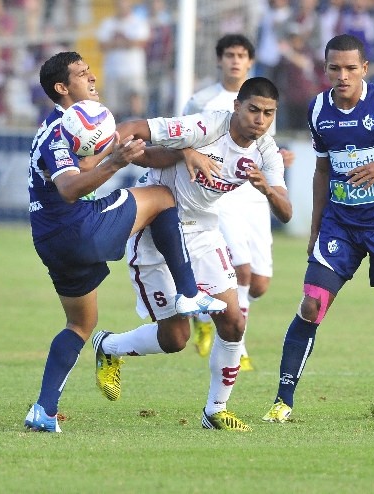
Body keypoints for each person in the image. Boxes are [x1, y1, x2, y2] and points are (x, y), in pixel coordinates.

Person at [23, 51, 226, 433]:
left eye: (90, 71)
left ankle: (43, 410)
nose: (93, 78)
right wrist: (114, 164)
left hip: (51, 241)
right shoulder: (58, 131)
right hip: (75, 227)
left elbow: (146, 155)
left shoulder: (88, 124)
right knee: (162, 199)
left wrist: (185, 151)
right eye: (82, 75)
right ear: (62, 88)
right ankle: (187, 292)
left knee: (80, 325)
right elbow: (68, 188)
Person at [91, 77, 293, 431]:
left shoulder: (266, 152)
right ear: (236, 107)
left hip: (201, 232)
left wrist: (267, 191)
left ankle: (216, 410)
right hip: (155, 225)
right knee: (175, 339)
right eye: (253, 110)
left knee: (234, 321)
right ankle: (109, 346)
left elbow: (286, 212)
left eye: (268, 113)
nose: (260, 119)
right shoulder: (204, 126)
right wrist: (183, 150)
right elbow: (137, 132)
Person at [262, 34, 374, 424]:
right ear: (325, 69)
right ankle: (283, 400)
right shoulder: (318, 109)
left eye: (350, 68)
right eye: (335, 68)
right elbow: (322, 170)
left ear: (365, 69)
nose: (342, 76)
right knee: (311, 306)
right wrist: (315, 229)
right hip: (340, 225)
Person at [183, 34, 295, 371]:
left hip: (256, 192)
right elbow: (184, 136)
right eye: (229, 54)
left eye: (242, 55)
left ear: (250, 61)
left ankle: (205, 312)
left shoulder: (262, 95)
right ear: (220, 60)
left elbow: (265, 145)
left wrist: (279, 157)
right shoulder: (202, 100)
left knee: (259, 283)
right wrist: (191, 154)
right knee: (242, 270)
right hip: (222, 189)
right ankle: (237, 346)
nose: (235, 60)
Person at [96, 0, 150, 121]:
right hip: (112, 72)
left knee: (136, 105)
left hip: (133, 71)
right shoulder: (108, 23)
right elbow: (101, 45)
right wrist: (125, 42)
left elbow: (141, 42)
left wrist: (118, 41)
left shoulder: (138, 22)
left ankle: (140, 135)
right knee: (113, 109)